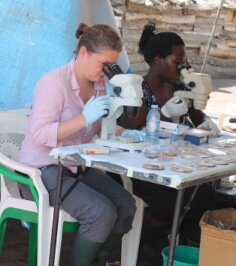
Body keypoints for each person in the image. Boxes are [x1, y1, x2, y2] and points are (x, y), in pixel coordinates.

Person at [18, 23, 136, 266]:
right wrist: (83, 118)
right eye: (103, 64)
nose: (106, 71)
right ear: (83, 53)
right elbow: (40, 134)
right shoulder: (54, 83)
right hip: (42, 171)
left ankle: (97, 262)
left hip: (75, 166)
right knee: (101, 213)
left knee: (125, 205)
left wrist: (132, 136)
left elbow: (100, 125)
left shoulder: (98, 83)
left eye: (111, 66)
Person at [119, 22, 217, 244]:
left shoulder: (180, 86)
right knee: (175, 200)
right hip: (142, 168)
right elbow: (132, 129)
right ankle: (147, 242)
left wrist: (207, 124)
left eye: (184, 62)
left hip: (174, 163)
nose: (183, 67)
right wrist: (163, 112)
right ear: (158, 60)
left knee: (206, 194)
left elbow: (197, 116)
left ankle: (178, 239)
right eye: (177, 62)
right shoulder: (138, 89)